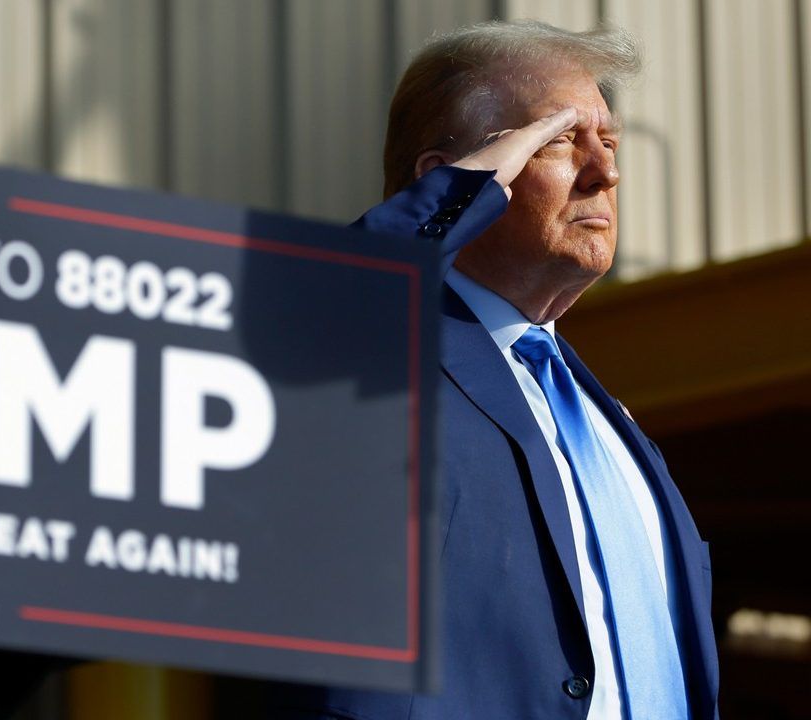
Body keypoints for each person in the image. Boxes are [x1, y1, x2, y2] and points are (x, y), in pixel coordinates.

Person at [271, 20, 719, 720]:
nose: (605, 170)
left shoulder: (608, 427)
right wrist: (455, 198)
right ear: (452, 178)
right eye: (562, 139)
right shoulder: (378, 367)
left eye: (609, 141)